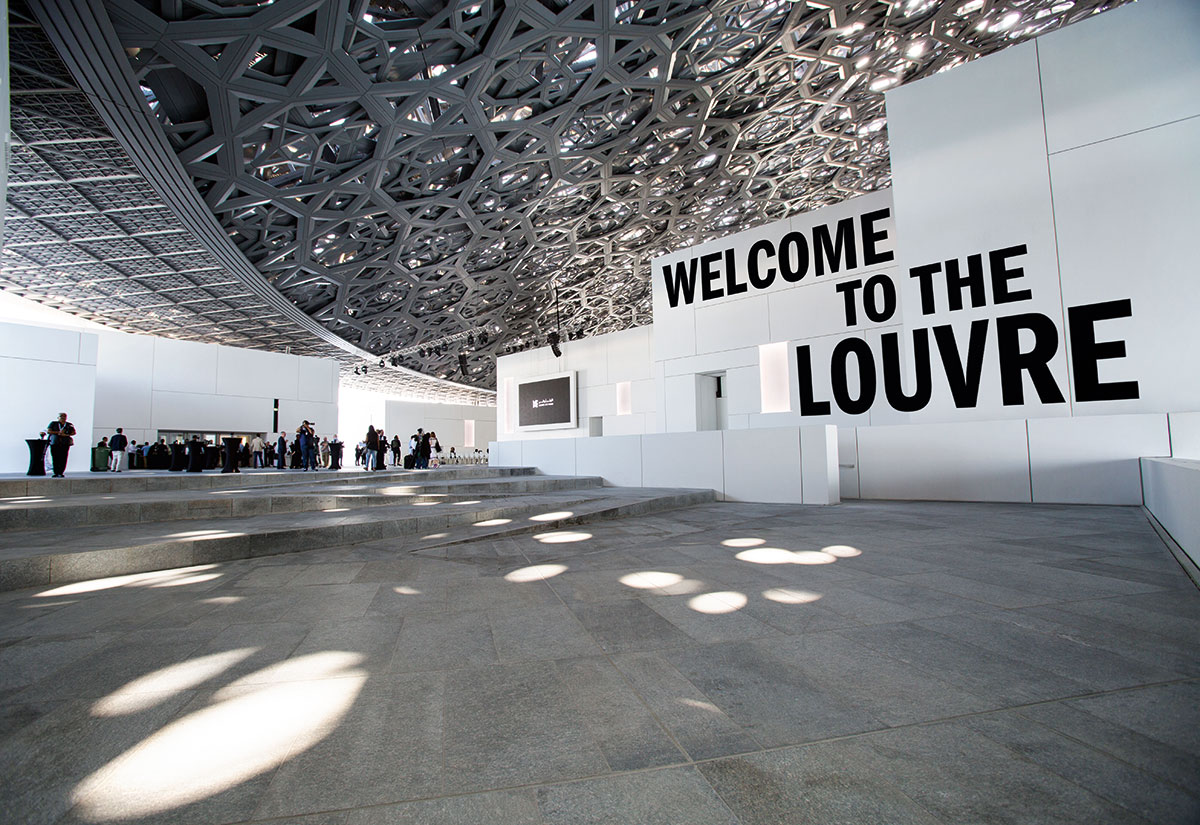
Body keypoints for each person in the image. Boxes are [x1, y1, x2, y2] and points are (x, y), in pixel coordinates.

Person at [46, 413, 76, 478]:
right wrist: (58, 432)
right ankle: (56, 472)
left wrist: (66, 434)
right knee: (55, 457)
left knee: (63, 458)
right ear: (58, 417)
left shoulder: (69, 424)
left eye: (64, 417)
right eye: (61, 417)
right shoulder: (53, 423)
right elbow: (49, 431)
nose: (63, 418)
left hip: (65, 443)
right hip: (55, 443)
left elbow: (74, 432)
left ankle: (61, 472)